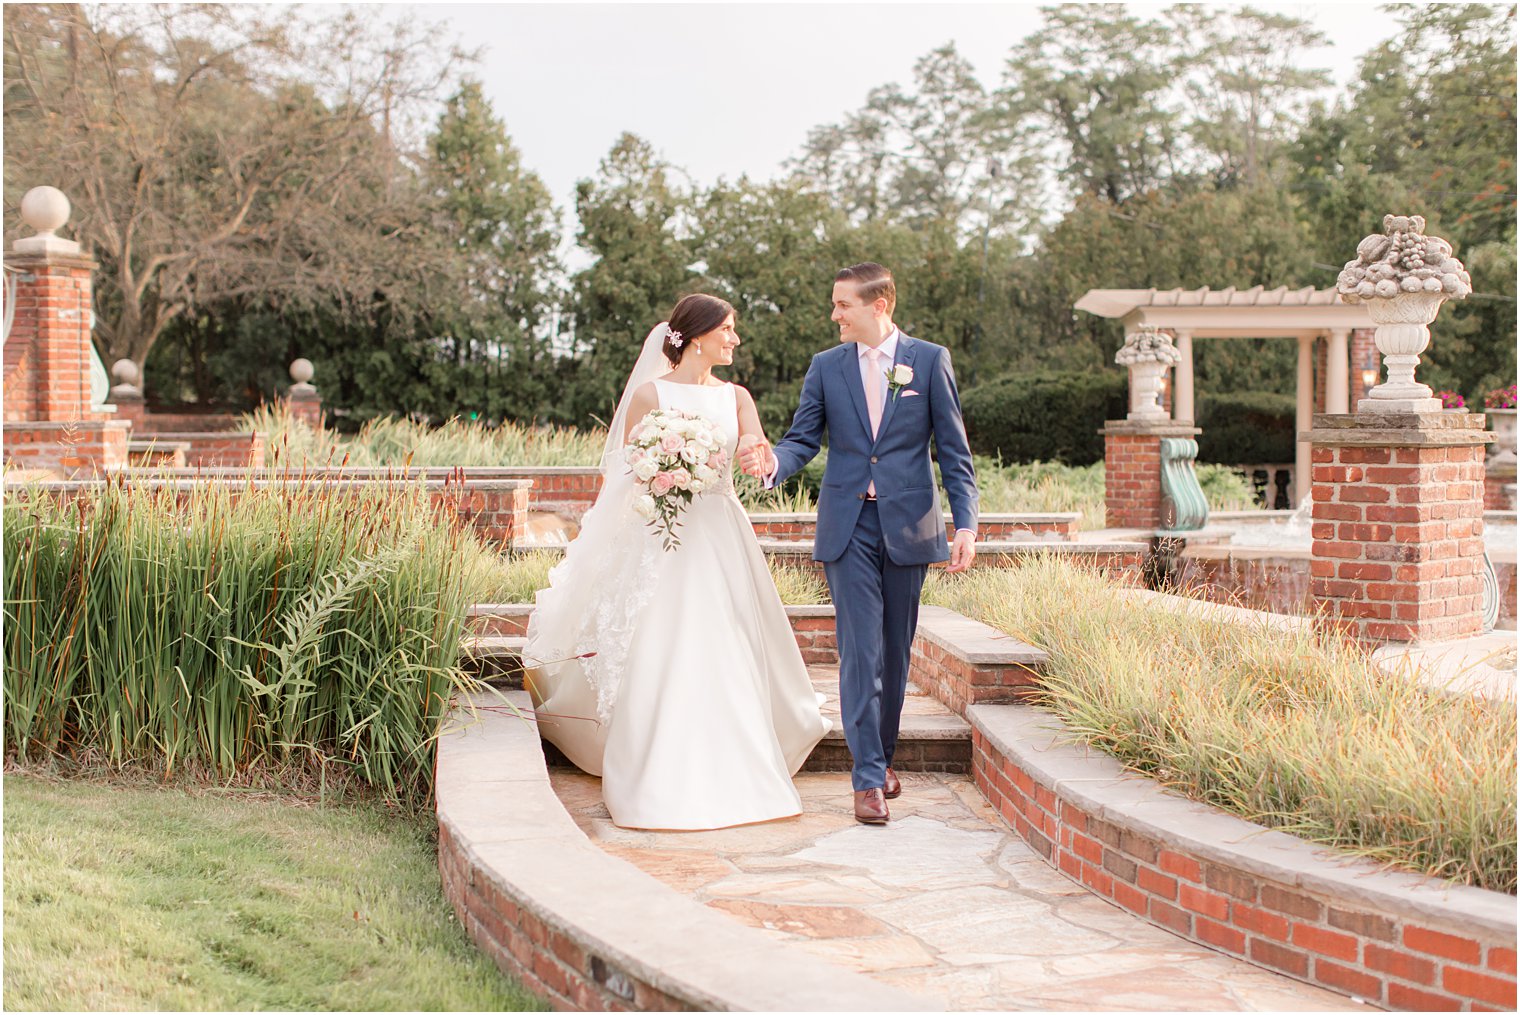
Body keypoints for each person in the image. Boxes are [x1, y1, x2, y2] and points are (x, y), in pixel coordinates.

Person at [523, 293, 830, 831]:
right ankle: (656, 770)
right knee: (662, 641)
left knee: (726, 638)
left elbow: (756, 454)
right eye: (728, 329)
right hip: (660, 539)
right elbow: (624, 471)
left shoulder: (737, 397)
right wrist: (665, 471)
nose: (735, 339)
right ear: (696, 336)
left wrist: (760, 458)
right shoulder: (649, 394)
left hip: (720, 532)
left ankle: (740, 768)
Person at [741, 263, 978, 825]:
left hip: (910, 526)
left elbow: (954, 452)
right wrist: (774, 462)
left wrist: (964, 523)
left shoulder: (928, 359)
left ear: (879, 306)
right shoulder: (827, 367)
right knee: (860, 653)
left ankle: (881, 756)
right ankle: (867, 777)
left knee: (895, 657)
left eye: (842, 304)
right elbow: (803, 439)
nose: (834, 314)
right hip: (848, 526)